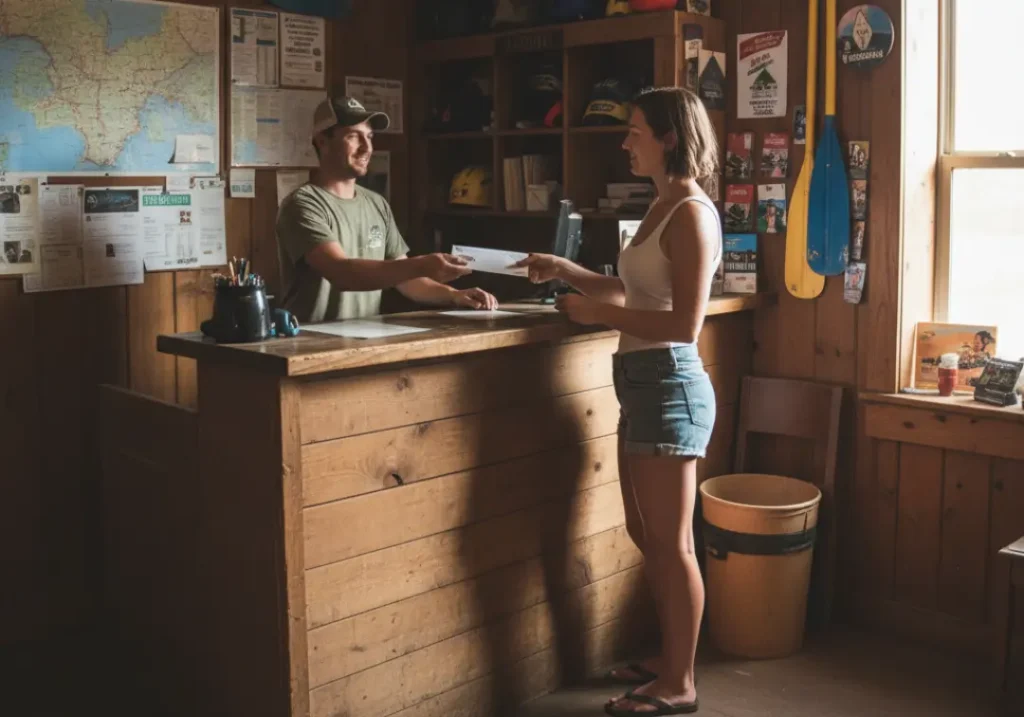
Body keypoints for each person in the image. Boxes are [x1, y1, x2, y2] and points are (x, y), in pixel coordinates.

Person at [513, 86, 721, 716]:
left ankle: (680, 682)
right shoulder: (661, 206)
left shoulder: (689, 212)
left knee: (672, 542)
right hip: (641, 384)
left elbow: (685, 324)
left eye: (635, 131)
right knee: (645, 533)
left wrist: (595, 314)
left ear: (669, 138)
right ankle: (669, 656)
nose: (625, 141)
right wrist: (567, 271)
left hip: (670, 383)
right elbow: (637, 289)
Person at [276, 94, 497, 323]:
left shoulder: (376, 203)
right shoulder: (302, 205)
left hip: (365, 344)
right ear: (322, 141)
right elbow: (342, 273)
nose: (367, 148)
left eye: (369, 137)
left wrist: (455, 296)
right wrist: (421, 265)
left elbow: (406, 280)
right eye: (354, 137)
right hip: (310, 346)